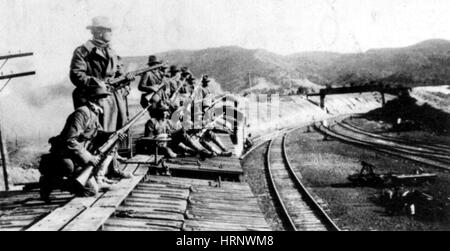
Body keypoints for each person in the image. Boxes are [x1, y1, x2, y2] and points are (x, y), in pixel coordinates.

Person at [69, 16, 134, 179]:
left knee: (116, 132)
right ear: (98, 32)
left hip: (114, 97)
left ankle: (113, 168)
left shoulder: (111, 50)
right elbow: (76, 75)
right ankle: (94, 173)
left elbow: (118, 71)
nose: (111, 33)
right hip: (95, 97)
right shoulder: (83, 50)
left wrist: (125, 78)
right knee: (98, 135)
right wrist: (98, 83)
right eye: (108, 30)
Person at [39, 86, 127, 201]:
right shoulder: (81, 114)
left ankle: (92, 180)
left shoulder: (93, 113)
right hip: (66, 155)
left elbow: (97, 133)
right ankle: (49, 183)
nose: (105, 101)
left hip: (79, 157)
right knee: (78, 179)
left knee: (91, 191)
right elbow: (70, 140)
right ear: (95, 99)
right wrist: (89, 157)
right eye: (103, 98)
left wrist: (113, 135)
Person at [144, 103, 213, 159]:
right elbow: (148, 139)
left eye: (166, 112)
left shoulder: (168, 122)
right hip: (157, 145)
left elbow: (176, 133)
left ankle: (200, 150)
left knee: (181, 133)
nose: (165, 113)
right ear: (158, 112)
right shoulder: (152, 122)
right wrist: (163, 136)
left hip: (168, 142)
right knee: (170, 153)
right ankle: (195, 150)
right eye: (163, 111)